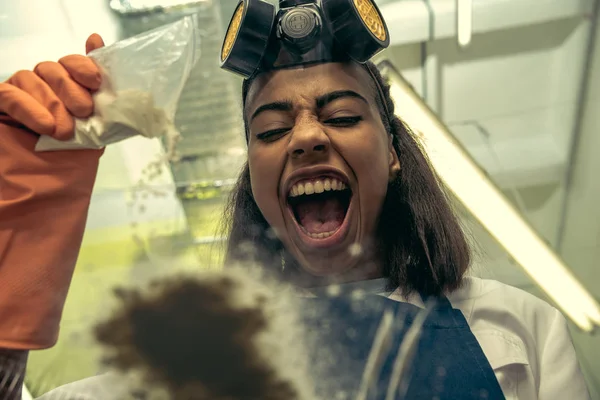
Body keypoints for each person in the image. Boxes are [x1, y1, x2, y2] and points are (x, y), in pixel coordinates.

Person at [0, 1, 592, 398]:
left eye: (340, 115)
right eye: (271, 131)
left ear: (392, 152)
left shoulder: (519, 331)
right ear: (253, 177)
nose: (307, 136)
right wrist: (14, 236)